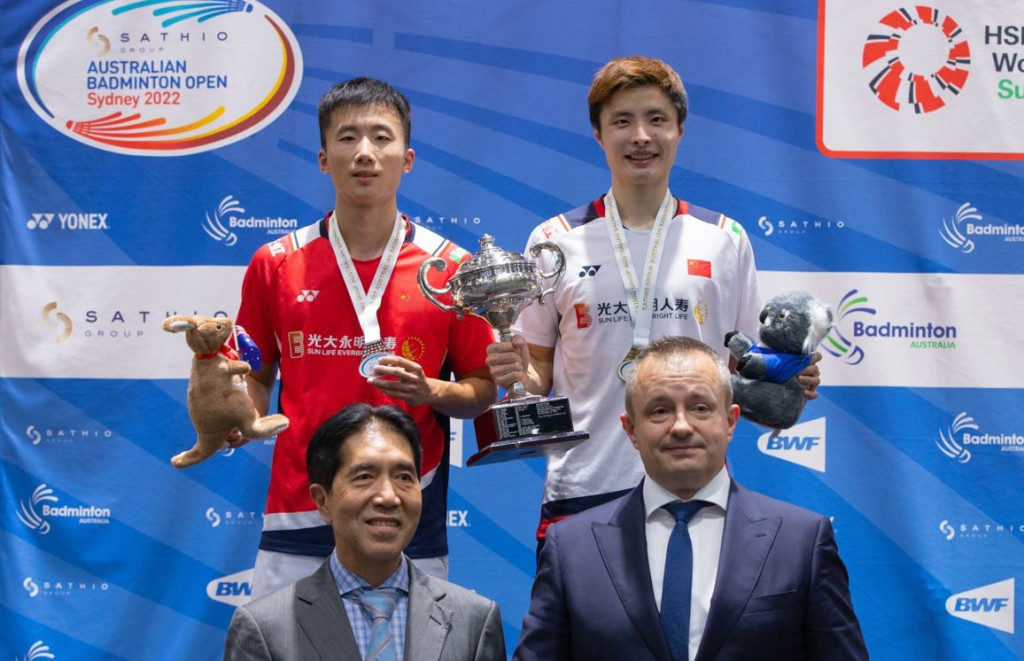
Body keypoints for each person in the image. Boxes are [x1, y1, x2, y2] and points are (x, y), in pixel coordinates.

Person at [485, 55, 820, 542]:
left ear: (680, 130)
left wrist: (791, 378)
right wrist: (518, 374)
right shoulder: (553, 241)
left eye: (656, 119)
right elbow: (536, 374)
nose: (640, 136)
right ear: (599, 135)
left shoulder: (724, 239)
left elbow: (744, 369)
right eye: (622, 121)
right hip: (584, 488)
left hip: (695, 489)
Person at [235, 77, 496, 597]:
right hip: (300, 505)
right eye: (347, 138)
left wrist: (432, 392)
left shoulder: (451, 270)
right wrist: (241, 414)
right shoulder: (276, 263)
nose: (365, 153)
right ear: (323, 159)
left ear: (408, 158)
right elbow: (255, 372)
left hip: (404, 508)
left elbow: (482, 390)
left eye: (381, 137)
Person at [513, 336, 867, 661]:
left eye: (700, 408)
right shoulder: (571, 548)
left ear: (730, 421)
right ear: (631, 430)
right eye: (660, 411)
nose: (681, 426)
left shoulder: (802, 542)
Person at [224, 404, 507, 661]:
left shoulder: (474, 620)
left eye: (404, 477)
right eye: (364, 477)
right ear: (323, 501)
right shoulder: (265, 627)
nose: (388, 496)